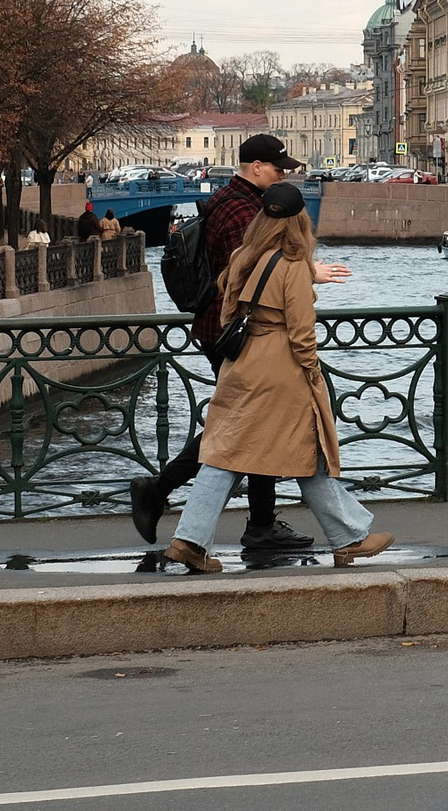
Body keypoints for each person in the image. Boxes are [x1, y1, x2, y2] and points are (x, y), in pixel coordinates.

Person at [129, 134, 348, 550]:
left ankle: (260, 523)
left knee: (254, 424)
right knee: (236, 429)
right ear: (257, 167)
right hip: (237, 332)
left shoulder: (239, 200)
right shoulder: (239, 210)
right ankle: (160, 492)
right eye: (279, 167)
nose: (284, 174)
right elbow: (246, 276)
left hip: (234, 329)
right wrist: (302, 272)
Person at [165, 182, 393, 573]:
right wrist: (312, 375)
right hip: (282, 370)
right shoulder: (293, 266)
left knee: (224, 455)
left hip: (241, 366)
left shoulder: (242, 257)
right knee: (310, 450)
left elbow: (226, 317)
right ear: (299, 222)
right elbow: (303, 335)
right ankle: (350, 538)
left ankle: (190, 539)